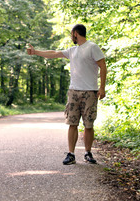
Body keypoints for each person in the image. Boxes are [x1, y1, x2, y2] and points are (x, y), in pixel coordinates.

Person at [26, 24, 107, 165]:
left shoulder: (92, 47)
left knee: (89, 124)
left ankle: (88, 153)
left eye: (71, 34)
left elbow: (103, 66)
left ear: (75, 33)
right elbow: (54, 53)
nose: (71, 37)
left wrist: (102, 87)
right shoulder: (72, 50)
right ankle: (71, 154)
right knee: (72, 123)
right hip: (73, 91)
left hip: (90, 92)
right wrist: (35, 52)